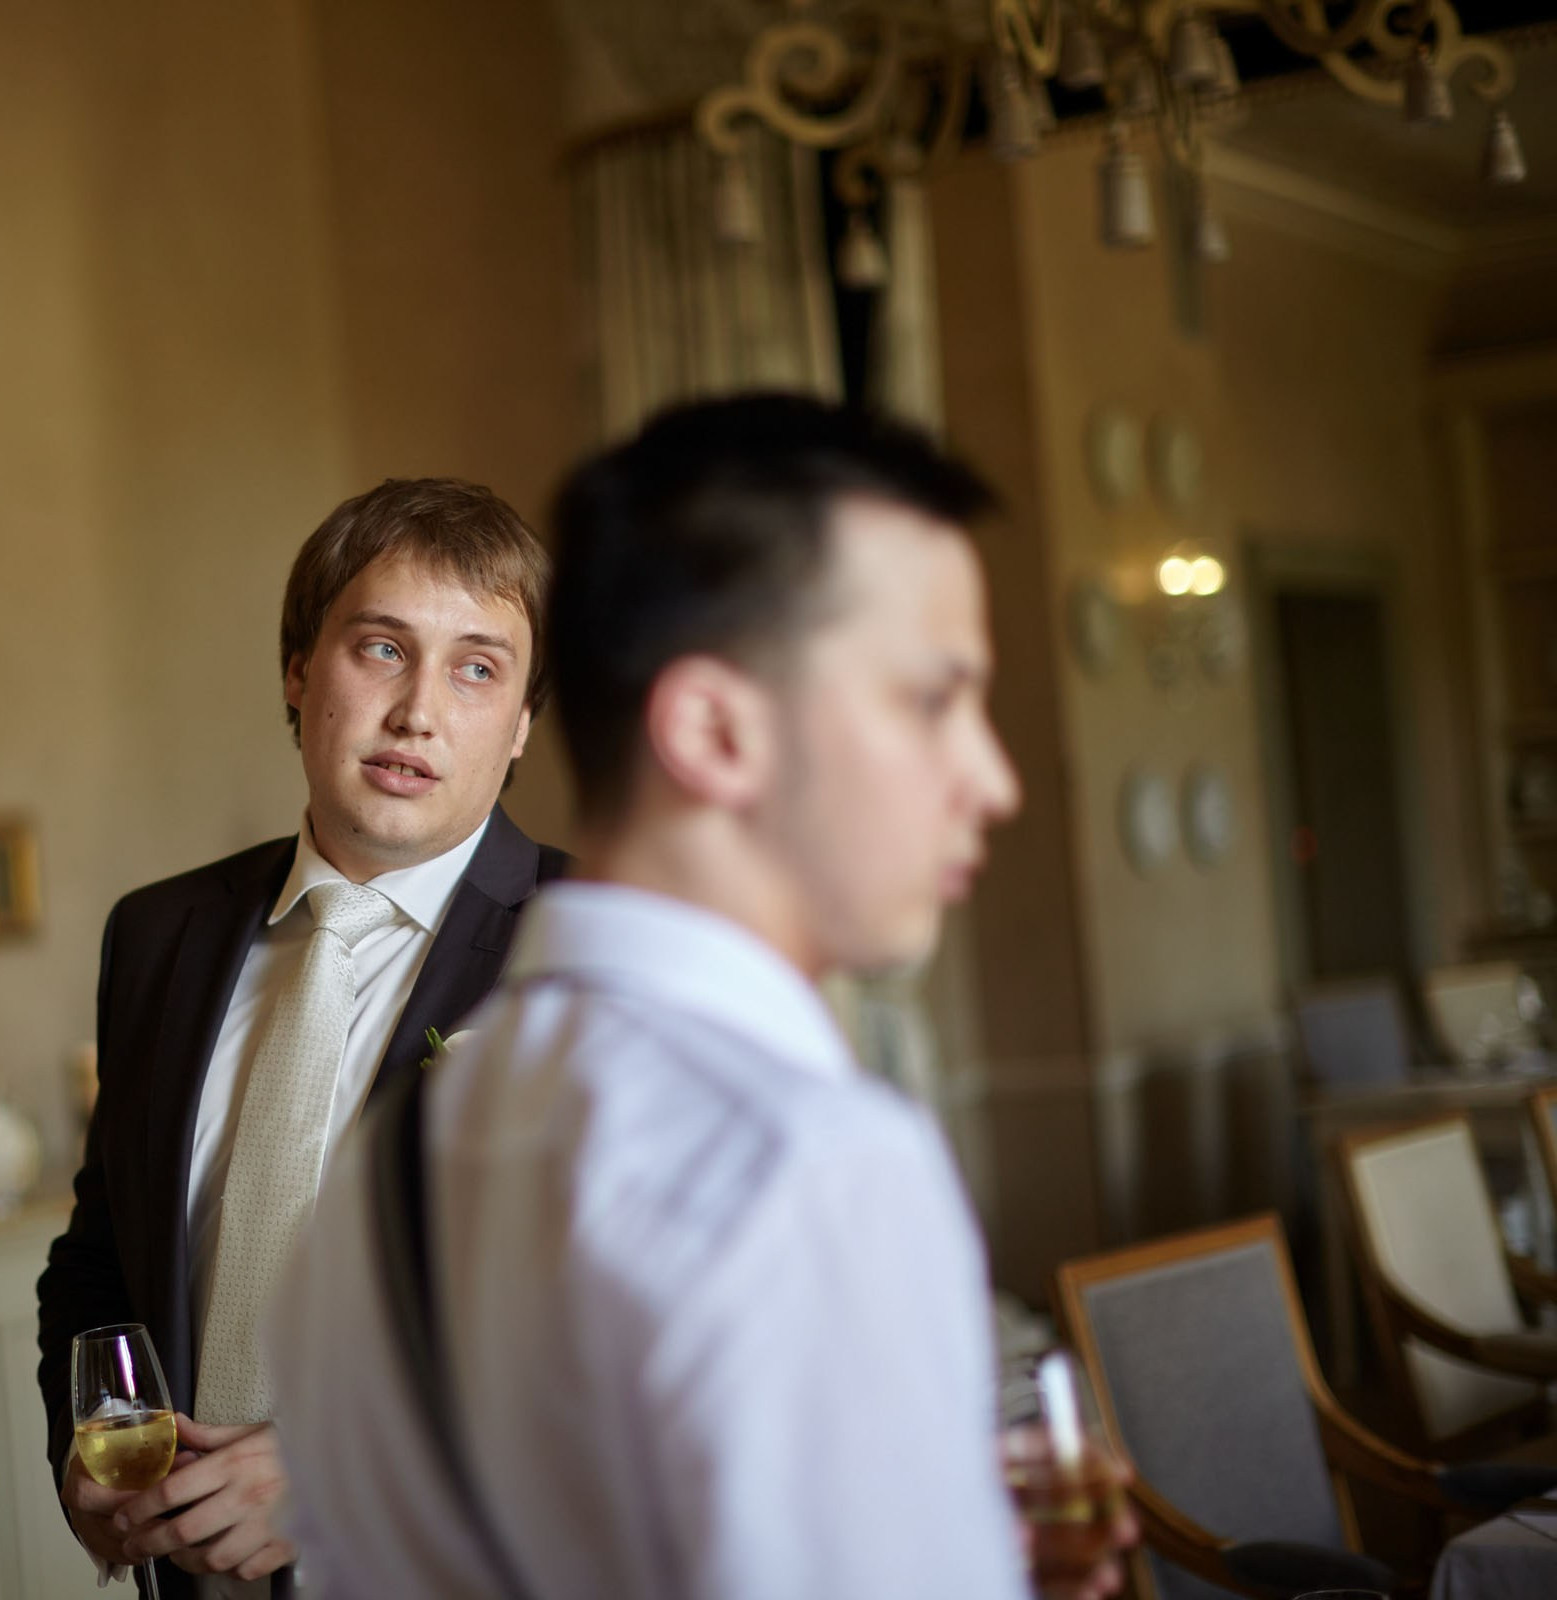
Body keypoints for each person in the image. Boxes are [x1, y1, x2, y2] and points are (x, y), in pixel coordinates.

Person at [268, 394, 1136, 1597]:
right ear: (716, 732)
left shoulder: (384, 1164)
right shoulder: (808, 1162)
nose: (991, 779)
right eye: (933, 700)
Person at [35, 477, 568, 1597]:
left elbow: (629, 1332)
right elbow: (99, 1257)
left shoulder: (597, 952)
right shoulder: (157, 935)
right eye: (382, 649)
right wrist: (86, 1456)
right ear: (297, 669)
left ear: (521, 723)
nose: (419, 711)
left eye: (478, 667)